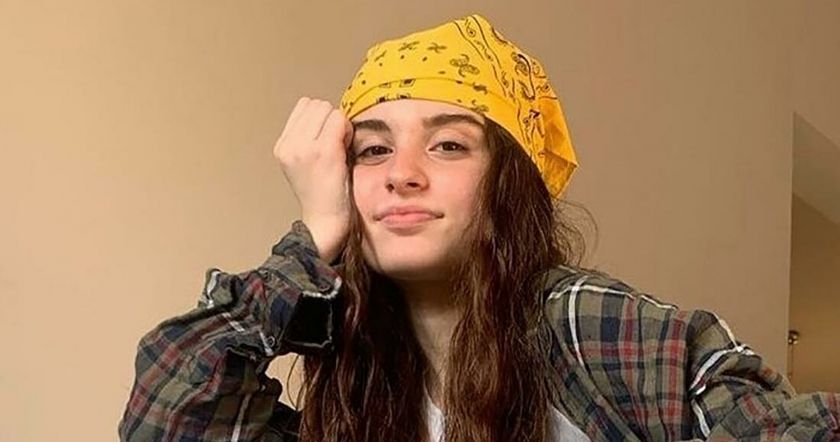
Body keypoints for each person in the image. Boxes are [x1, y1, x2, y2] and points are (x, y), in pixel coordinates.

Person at [119, 14, 840, 442]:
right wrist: (312, 240)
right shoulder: (355, 367)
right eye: (372, 150)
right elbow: (169, 415)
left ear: (506, 184)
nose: (402, 173)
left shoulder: (580, 322)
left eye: (447, 145)